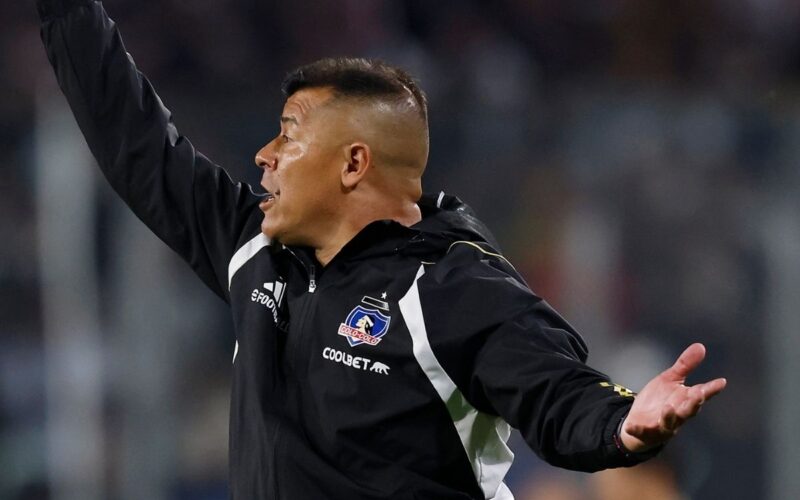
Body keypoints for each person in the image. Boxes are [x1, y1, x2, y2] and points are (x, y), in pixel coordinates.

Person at [37, 1, 726, 499]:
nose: (264, 156)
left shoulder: (454, 287)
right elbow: (139, 146)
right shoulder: (257, 251)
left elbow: (555, 391)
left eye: (288, 135)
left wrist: (621, 422)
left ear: (352, 163)